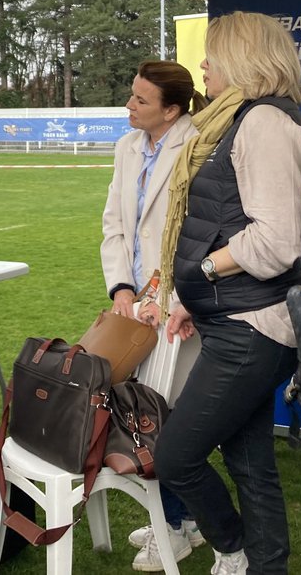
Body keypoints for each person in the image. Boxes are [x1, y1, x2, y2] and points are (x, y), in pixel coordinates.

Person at [155, 11, 301, 575]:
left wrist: (202, 273)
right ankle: (262, 564)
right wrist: (191, 300)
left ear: (245, 58)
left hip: (253, 328)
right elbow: (227, 220)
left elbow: (276, 242)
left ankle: (234, 549)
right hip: (238, 320)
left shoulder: (266, 124)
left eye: (213, 54)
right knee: (251, 464)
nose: (203, 65)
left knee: (174, 458)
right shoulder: (238, 120)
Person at [100, 59, 208, 571]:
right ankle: (180, 519)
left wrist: (159, 297)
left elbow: (194, 236)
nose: (129, 104)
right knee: (146, 416)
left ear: (172, 109)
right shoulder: (126, 147)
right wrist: (123, 289)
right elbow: (115, 225)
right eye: (132, 94)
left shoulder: (197, 145)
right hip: (136, 306)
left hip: (177, 308)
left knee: (165, 422)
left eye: (141, 99)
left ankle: (178, 525)